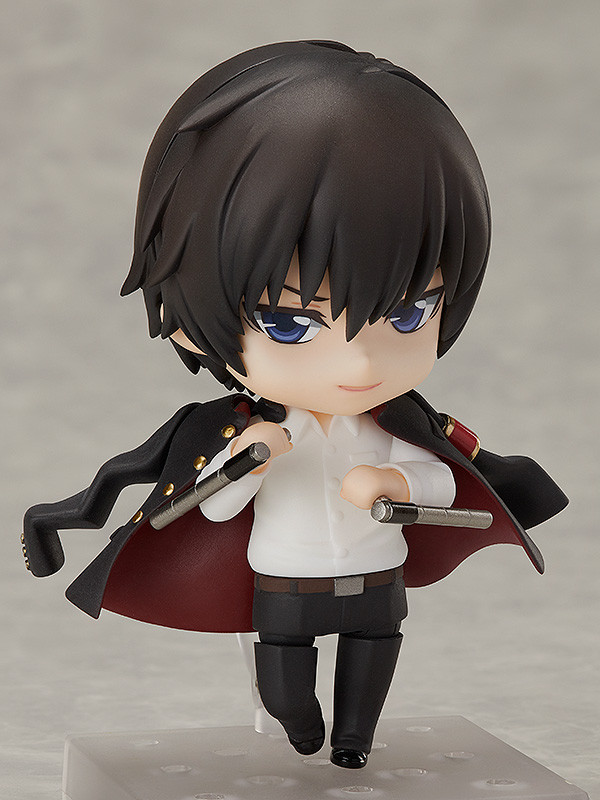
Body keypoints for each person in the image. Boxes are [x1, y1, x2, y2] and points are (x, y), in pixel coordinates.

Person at [23, 41, 568, 769]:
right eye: (290, 323)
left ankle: (353, 742)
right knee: (286, 690)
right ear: (189, 320)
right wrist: (245, 465)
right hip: (285, 582)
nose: (359, 363)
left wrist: (396, 481)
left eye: (409, 313)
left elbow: (442, 481)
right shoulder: (249, 430)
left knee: (371, 665)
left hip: (378, 580)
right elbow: (214, 507)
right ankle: (301, 728)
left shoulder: (400, 425)